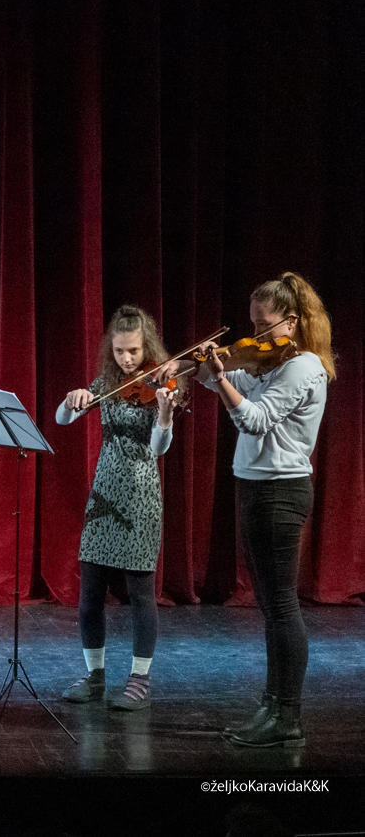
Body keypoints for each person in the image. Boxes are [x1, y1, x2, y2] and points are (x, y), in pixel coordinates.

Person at [160, 272, 332, 748]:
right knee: (269, 606)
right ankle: (272, 705)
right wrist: (189, 365)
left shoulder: (304, 367)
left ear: (292, 322)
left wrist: (218, 378)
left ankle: (288, 714)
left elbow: (254, 421)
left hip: (282, 492)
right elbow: (229, 380)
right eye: (252, 324)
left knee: (281, 606)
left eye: (264, 325)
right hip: (255, 488)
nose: (255, 336)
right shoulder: (268, 362)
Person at [55, 305, 179, 711]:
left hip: (141, 494)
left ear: (148, 347)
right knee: (90, 593)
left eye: (135, 351)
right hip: (104, 493)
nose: (127, 359)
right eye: (121, 351)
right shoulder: (107, 381)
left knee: (141, 593)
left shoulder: (161, 384)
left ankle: (140, 678)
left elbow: (159, 449)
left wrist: (163, 413)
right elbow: (62, 420)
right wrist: (73, 399)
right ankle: (95, 675)